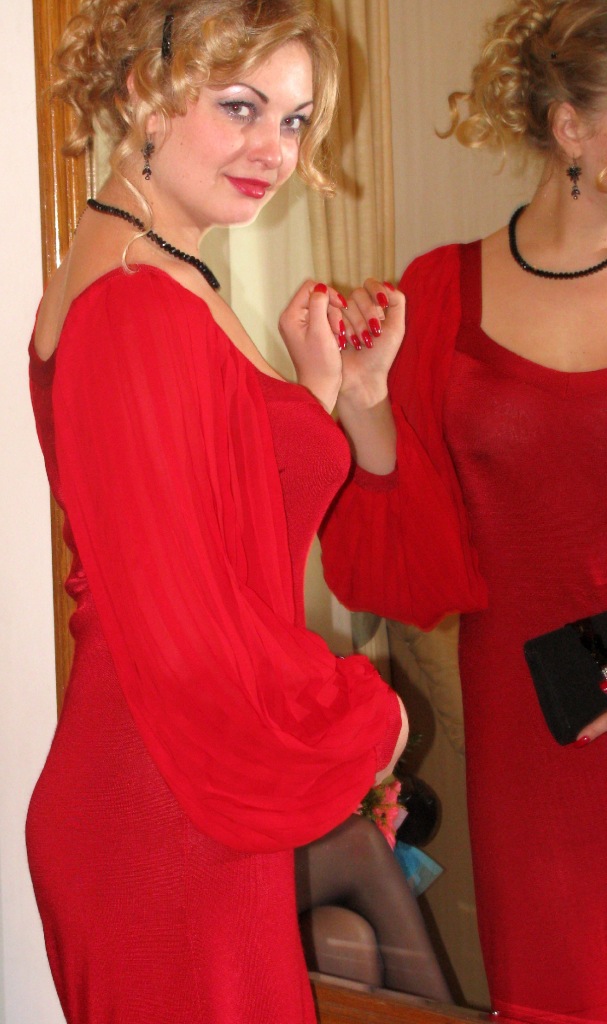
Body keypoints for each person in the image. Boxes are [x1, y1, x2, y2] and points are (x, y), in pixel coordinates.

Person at [26, 2, 415, 1021]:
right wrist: (362, 718)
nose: (273, 151)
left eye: (294, 120)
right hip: (163, 810)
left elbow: (215, 531)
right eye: (241, 107)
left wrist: (317, 393)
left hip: (167, 789)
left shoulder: (145, 267)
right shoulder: (137, 301)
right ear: (143, 94)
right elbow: (187, 624)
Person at [321, 1, 607, 1021]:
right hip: (530, 729)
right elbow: (410, 558)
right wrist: (364, 404)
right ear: (570, 128)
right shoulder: (439, 293)